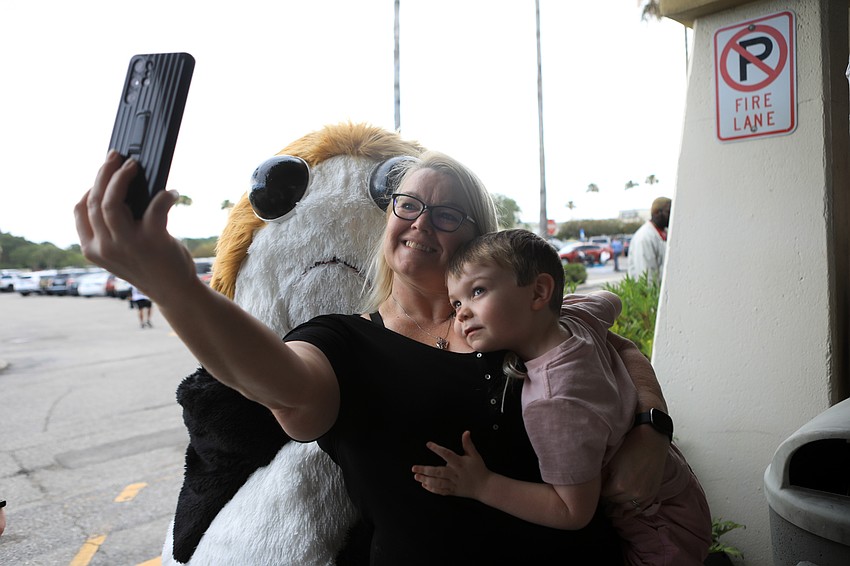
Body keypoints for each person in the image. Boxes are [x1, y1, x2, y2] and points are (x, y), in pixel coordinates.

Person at [75, 149, 672, 564]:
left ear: (476, 236)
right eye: (408, 205)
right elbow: (280, 381)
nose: (420, 223)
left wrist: (651, 429)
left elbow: (616, 350)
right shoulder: (346, 342)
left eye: (445, 214)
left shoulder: (511, 312)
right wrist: (176, 284)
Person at [413, 229, 712, 565]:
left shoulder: (553, 401)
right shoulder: (577, 318)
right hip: (679, 490)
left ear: (540, 290)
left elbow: (572, 510)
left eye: (478, 291)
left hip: (656, 528)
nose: (462, 313)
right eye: (457, 302)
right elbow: (610, 301)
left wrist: (482, 485)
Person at [628, 197, 671, 281]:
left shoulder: (665, 232)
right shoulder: (644, 237)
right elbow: (646, 277)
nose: (671, 216)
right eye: (669, 212)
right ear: (657, 212)